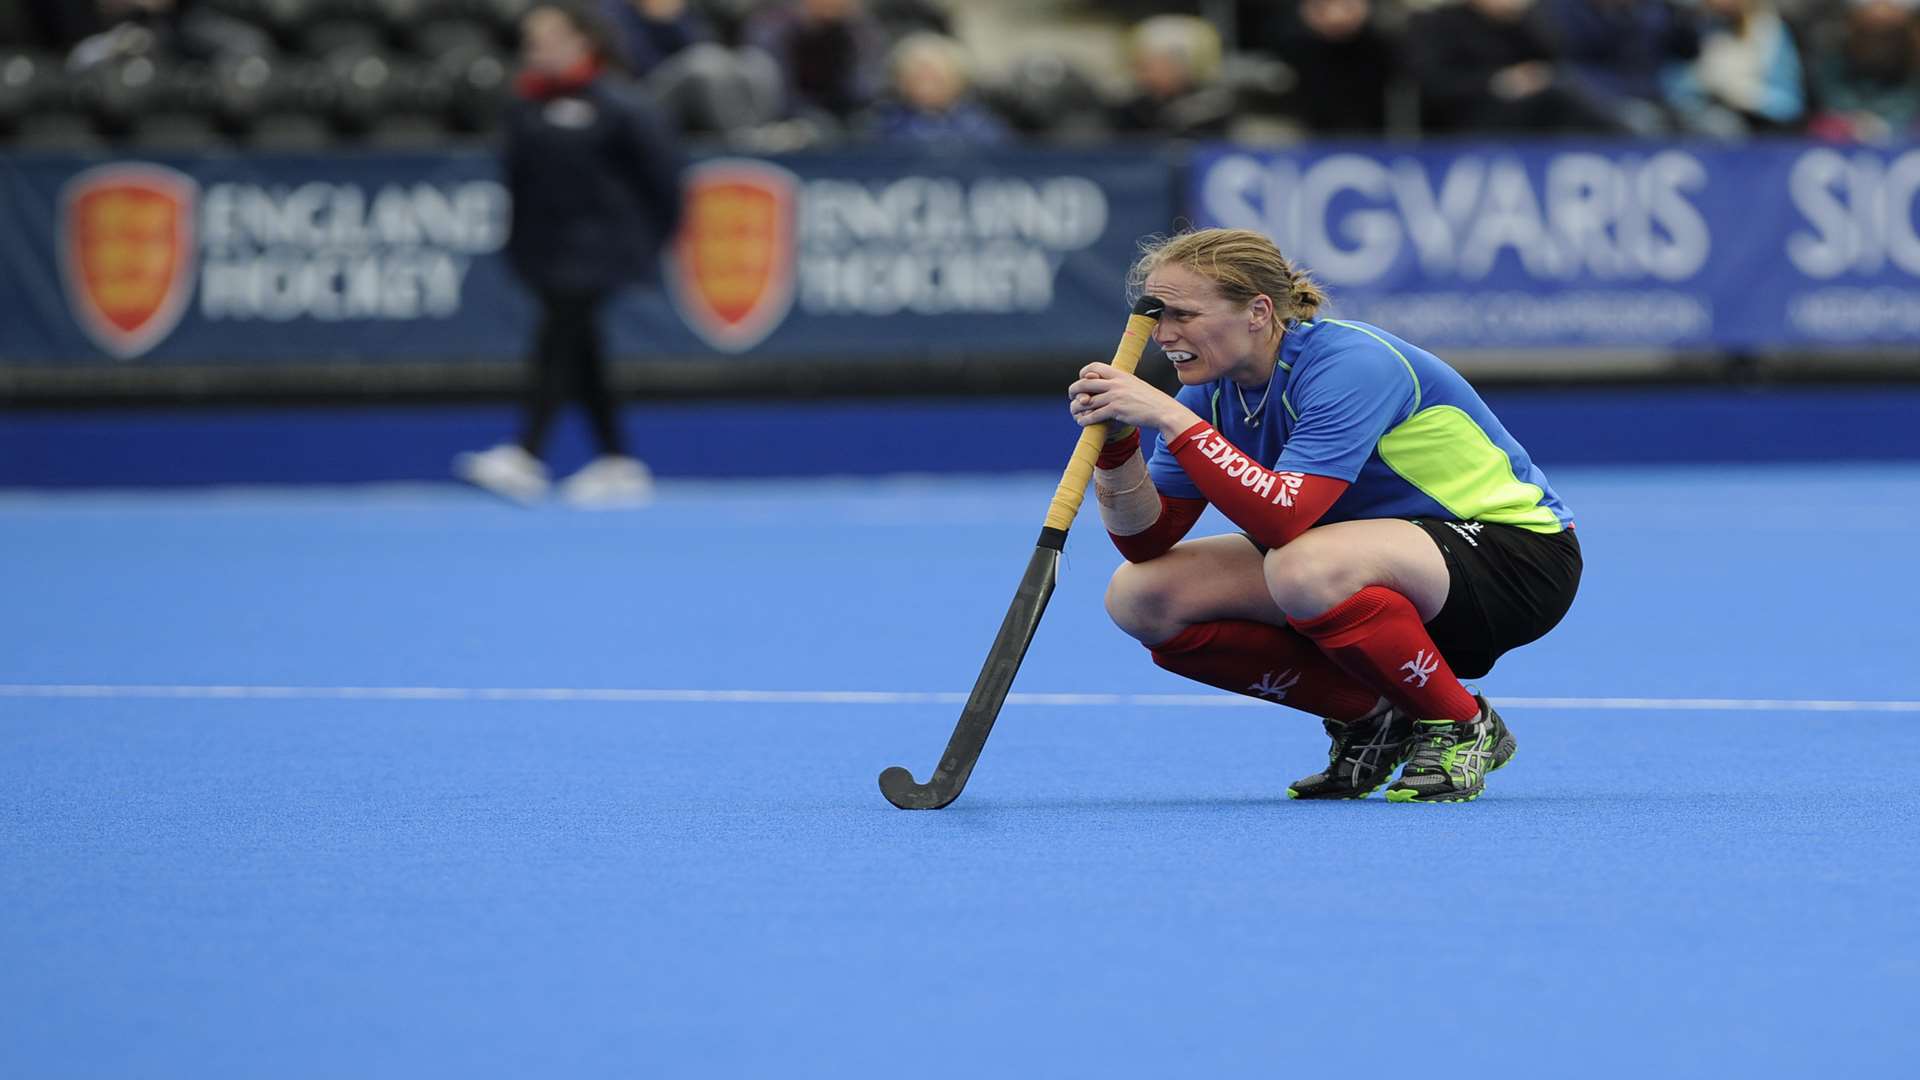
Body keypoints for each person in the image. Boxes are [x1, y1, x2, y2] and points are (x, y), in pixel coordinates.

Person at [1066, 228, 1581, 803]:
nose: (1164, 335)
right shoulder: (1211, 394)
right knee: (1140, 596)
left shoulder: (1351, 364)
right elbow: (1147, 540)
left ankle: (1460, 722)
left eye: (1183, 315)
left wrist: (1173, 421)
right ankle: (1374, 715)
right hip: (1360, 560)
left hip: (1515, 559)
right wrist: (1118, 446)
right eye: (1158, 316)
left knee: (1301, 565)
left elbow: (1284, 521)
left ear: (1258, 311)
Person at [455, 3, 685, 506]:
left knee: (556, 342)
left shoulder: (623, 107)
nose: (535, 49)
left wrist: (645, 246)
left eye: (548, 38)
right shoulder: (523, 108)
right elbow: (518, 186)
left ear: (584, 42)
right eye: (530, 40)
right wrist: (518, 248)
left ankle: (527, 454)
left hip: (602, 253)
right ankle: (617, 460)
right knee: (581, 352)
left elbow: (664, 185)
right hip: (545, 253)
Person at [867, 31, 1010, 146]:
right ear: (900, 82)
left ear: (958, 81)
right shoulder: (883, 125)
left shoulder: (982, 127)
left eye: (935, 77)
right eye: (917, 77)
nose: (926, 84)